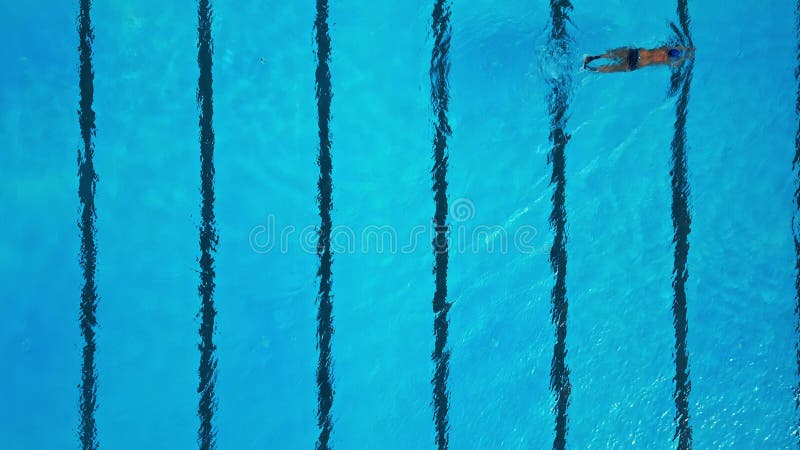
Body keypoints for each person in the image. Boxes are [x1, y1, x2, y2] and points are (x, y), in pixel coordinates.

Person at [583, 45, 694, 73]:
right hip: (638, 63)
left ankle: (591, 58)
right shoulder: (667, 61)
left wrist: (688, 48)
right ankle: (589, 69)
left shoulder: (665, 48)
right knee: (612, 68)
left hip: (637, 53)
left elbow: (677, 47)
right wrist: (687, 56)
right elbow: (678, 63)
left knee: (612, 55)